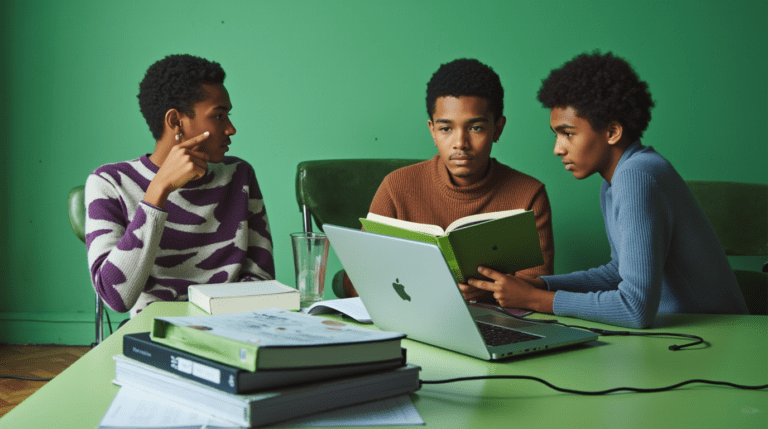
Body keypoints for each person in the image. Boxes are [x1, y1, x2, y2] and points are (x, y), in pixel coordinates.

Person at [464, 51, 748, 328]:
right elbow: (617, 272)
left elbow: (635, 308)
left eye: (568, 134)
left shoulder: (636, 176)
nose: (557, 149)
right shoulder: (615, 181)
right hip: (682, 337)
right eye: (557, 135)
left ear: (612, 132)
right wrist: (539, 284)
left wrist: (537, 299)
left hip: (719, 341)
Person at [343, 58, 555, 302]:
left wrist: (484, 290)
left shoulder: (529, 194)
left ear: (498, 128)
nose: (460, 143)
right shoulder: (396, 187)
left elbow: (537, 288)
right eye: (446, 129)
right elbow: (356, 283)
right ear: (432, 130)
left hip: (496, 323)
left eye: (476, 128)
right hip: (417, 318)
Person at [85, 54, 274, 317]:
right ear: (175, 121)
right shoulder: (109, 183)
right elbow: (116, 298)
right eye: (219, 116)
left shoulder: (239, 175)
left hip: (232, 327)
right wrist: (158, 190)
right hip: (156, 332)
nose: (231, 129)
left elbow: (260, 278)